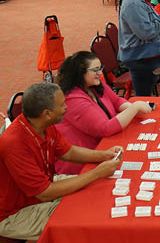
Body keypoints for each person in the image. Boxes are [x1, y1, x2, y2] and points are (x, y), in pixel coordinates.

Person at [0, 83, 121, 241]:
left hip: (40, 188)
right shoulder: (14, 143)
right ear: (48, 113)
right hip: (13, 213)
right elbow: (45, 193)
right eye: (62, 105)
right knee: (86, 216)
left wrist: (103, 155)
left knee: (98, 190)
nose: (66, 107)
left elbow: (68, 152)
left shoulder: (42, 124)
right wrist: (96, 173)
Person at [54, 52, 152, 174]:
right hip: (83, 161)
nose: (100, 73)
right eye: (95, 70)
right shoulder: (72, 99)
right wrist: (135, 108)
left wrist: (131, 107)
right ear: (80, 73)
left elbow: (116, 101)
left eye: (100, 68)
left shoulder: (94, 84)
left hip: (104, 147)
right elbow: (104, 128)